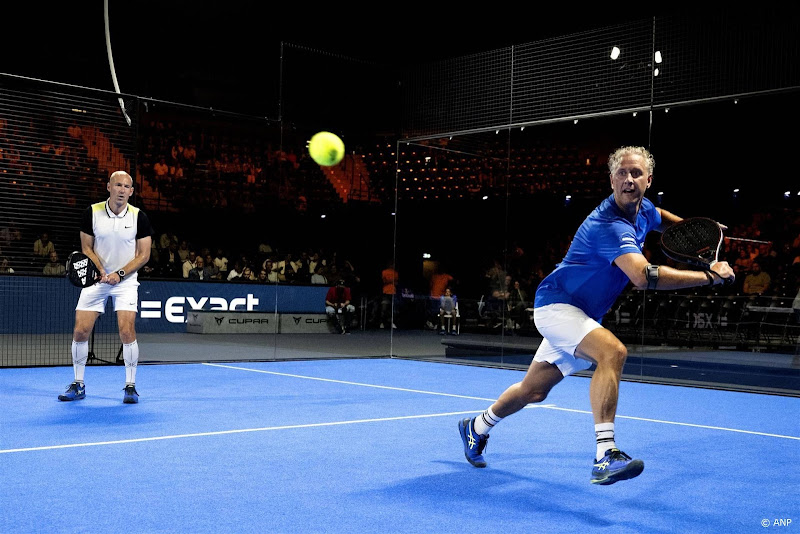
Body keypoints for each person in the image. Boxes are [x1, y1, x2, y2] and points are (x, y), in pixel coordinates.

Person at [458, 146, 735, 485]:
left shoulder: (644, 209)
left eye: (636, 174)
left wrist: (696, 230)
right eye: (622, 173)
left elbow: (659, 217)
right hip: (556, 306)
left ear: (648, 180)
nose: (629, 180)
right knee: (612, 352)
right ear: (611, 179)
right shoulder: (608, 225)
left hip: (582, 314)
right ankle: (606, 454)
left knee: (533, 391)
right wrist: (710, 276)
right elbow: (643, 276)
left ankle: (476, 427)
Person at [58, 171, 153, 404]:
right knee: (80, 331)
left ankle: (130, 386)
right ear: (109, 187)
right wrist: (100, 271)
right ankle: (78, 384)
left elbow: (143, 255)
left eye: (126, 186)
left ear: (131, 191)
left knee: (127, 331)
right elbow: (86, 248)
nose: (122, 190)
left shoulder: (139, 217)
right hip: (96, 279)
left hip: (125, 281)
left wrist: (119, 275)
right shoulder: (92, 212)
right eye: (118, 185)